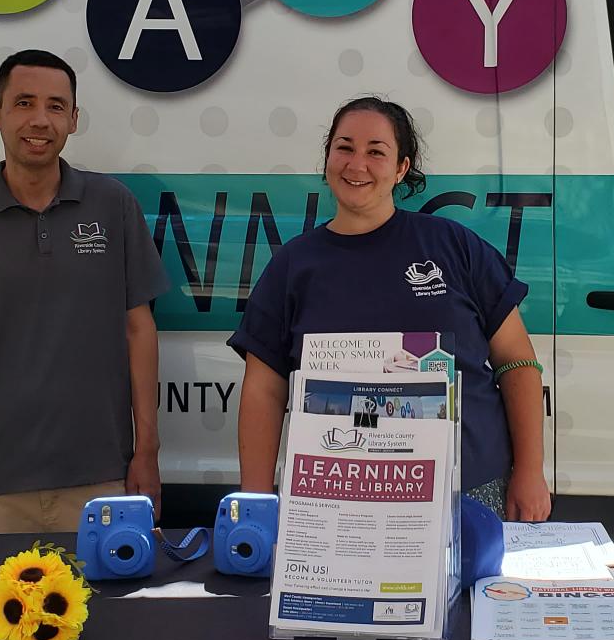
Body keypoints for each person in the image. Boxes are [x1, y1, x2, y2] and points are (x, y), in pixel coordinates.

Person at [230, 96, 552, 520]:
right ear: (328, 157)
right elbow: (263, 390)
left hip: (468, 493)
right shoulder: (293, 265)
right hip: (336, 499)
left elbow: (517, 362)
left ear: (402, 168)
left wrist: (530, 471)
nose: (357, 164)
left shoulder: (454, 247)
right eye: (344, 148)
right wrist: (255, 503)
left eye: (376, 152)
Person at [0, 50, 167, 535]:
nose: (40, 121)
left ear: (74, 119)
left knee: (101, 613)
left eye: (56, 106)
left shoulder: (115, 207)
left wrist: (146, 453)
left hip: (99, 480)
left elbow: (139, 332)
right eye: (23, 103)